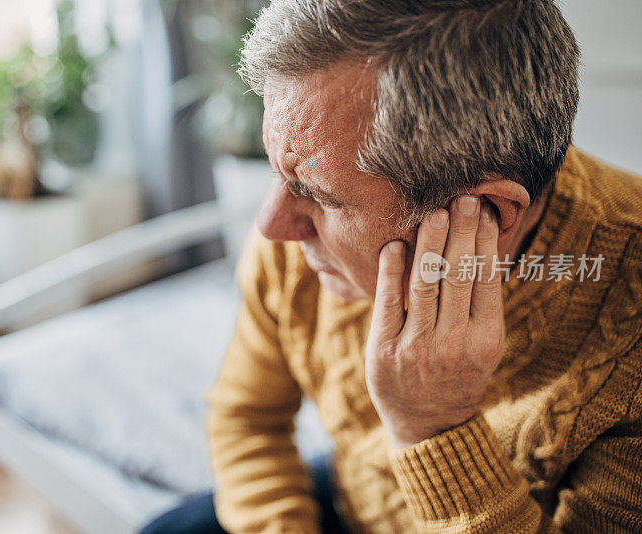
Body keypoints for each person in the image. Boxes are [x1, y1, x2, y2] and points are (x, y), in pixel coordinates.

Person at [141, 1, 642, 532]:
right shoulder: (295, 236)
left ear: (487, 214)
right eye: (278, 173)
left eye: (314, 192)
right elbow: (247, 417)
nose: (271, 224)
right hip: (347, 498)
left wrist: (433, 428)